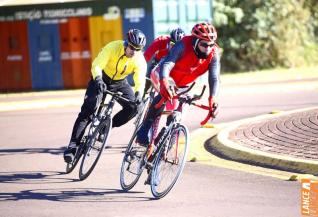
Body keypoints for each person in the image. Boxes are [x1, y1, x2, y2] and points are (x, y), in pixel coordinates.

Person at [64, 29, 147, 163]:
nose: (134, 51)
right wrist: (98, 79)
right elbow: (97, 65)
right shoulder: (112, 47)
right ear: (126, 43)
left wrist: (139, 94)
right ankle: (73, 146)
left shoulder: (139, 59)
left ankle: (106, 127)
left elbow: (140, 79)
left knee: (134, 107)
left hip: (120, 82)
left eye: (138, 49)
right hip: (102, 78)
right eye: (132, 47)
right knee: (88, 110)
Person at [136, 22, 220, 145]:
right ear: (196, 41)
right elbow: (168, 63)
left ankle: (166, 135)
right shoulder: (183, 45)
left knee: (177, 114)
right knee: (164, 96)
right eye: (204, 45)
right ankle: (144, 128)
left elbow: (214, 77)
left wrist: (213, 98)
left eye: (211, 45)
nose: (208, 48)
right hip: (164, 73)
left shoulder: (213, 54)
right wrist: (164, 80)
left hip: (183, 84)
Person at [143, 28, 185, 95]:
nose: (175, 49)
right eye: (172, 44)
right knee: (147, 81)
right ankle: (143, 97)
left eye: (177, 46)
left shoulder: (185, 49)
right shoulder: (161, 41)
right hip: (158, 62)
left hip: (173, 66)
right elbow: (147, 55)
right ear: (169, 40)